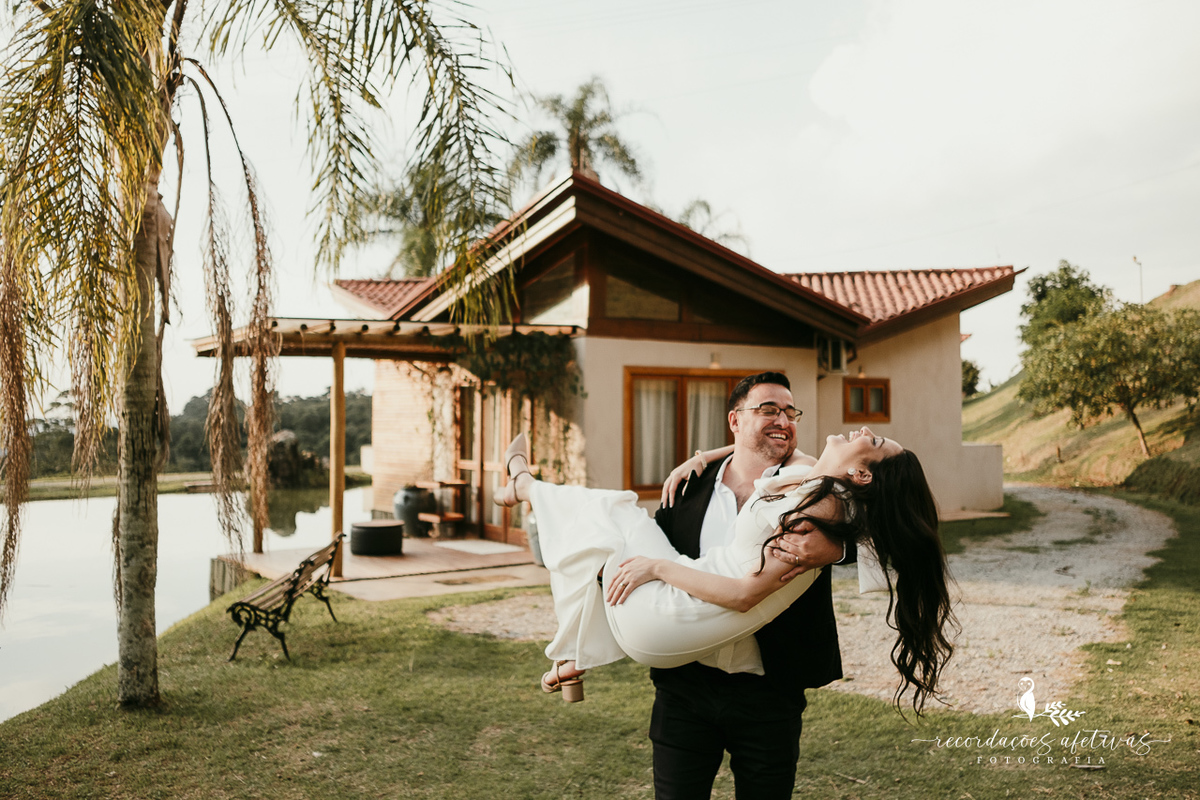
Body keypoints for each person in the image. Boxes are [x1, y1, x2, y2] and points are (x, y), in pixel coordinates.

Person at [496, 374, 955, 800]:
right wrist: (708, 457)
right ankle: (573, 645)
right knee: (608, 528)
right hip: (686, 689)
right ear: (735, 420)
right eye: (769, 410)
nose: (784, 420)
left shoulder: (817, 502)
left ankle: (523, 486)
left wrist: (836, 552)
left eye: (791, 413)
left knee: (611, 517)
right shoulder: (690, 489)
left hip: (768, 693)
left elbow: (881, 531)